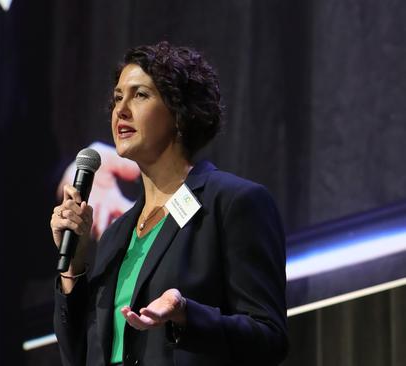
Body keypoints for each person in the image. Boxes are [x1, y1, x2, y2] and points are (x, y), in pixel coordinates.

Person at [51, 41, 288, 366]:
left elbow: (269, 338)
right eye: (118, 97)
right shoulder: (116, 235)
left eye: (140, 95)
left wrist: (188, 316)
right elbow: (75, 355)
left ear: (179, 113)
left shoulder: (232, 203)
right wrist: (73, 268)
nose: (121, 109)